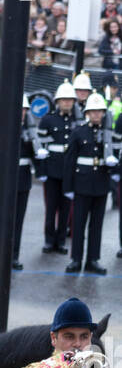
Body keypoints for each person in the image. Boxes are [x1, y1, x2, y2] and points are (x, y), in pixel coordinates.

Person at [63, 90, 118, 276]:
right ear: (87, 112)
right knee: (78, 225)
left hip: (101, 185)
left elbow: (114, 156)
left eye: (99, 111)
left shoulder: (108, 134)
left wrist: (114, 167)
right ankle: (76, 259)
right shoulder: (78, 132)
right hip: (82, 185)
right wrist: (68, 187)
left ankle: (92, 260)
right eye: (93, 111)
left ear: (103, 113)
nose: (96, 114)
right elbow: (69, 161)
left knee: (97, 225)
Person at [0, 96, 41, 270]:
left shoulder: (30, 130)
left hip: (22, 179)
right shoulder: (0, 127)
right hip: (2, 180)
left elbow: (34, 153)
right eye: (19, 109)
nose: (21, 113)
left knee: (17, 220)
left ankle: (13, 256)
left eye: (24, 110)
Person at [39, 80, 77, 256]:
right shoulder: (48, 120)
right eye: (64, 99)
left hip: (69, 172)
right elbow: (40, 148)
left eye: (70, 99)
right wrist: (41, 171)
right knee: (51, 207)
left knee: (65, 208)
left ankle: (61, 240)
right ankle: (48, 240)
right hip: (52, 171)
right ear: (57, 101)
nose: (67, 102)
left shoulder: (78, 121)